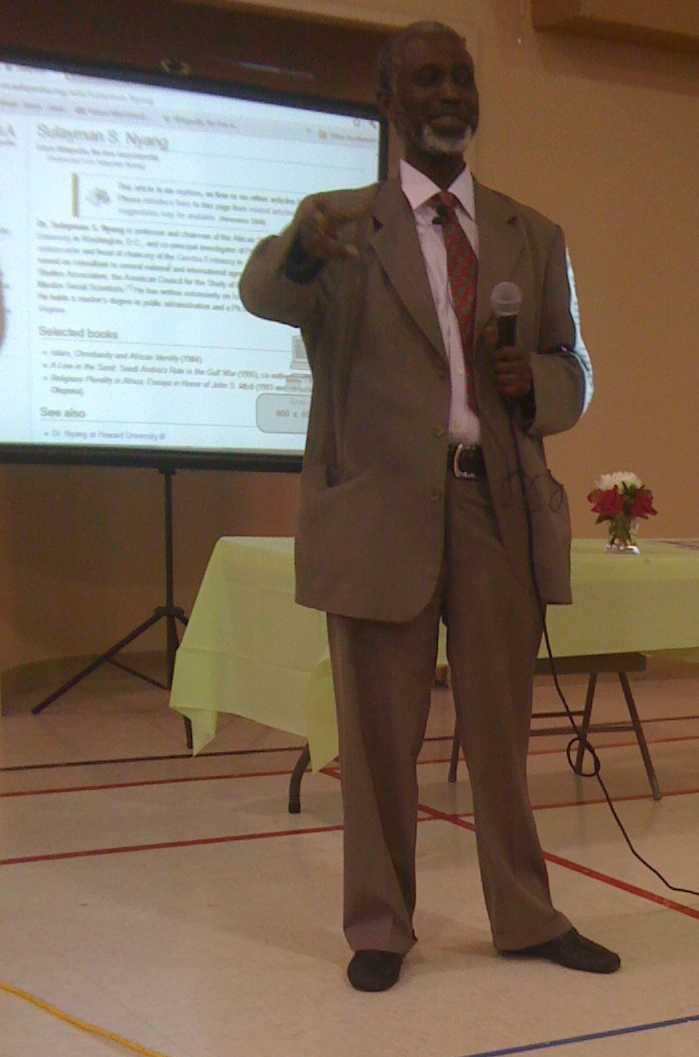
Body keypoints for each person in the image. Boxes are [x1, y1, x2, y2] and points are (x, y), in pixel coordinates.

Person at [239, 21, 617, 992]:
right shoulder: (338, 225)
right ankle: (379, 924)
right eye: (426, 79)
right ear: (388, 101)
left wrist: (534, 381)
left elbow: (573, 370)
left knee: (502, 737)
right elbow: (264, 294)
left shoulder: (532, 234)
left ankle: (525, 916)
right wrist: (300, 252)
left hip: (497, 507)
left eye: (461, 77)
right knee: (377, 740)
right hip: (379, 514)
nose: (449, 94)